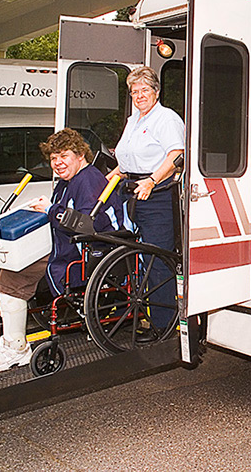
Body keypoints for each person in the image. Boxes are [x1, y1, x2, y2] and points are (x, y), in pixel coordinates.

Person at [0, 128, 124, 372]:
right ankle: (12, 342)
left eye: (64, 156)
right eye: (53, 158)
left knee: (13, 277)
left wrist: (50, 210)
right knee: (11, 263)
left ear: (81, 155)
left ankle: (16, 349)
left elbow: (86, 225)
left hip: (90, 250)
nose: (57, 163)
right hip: (66, 244)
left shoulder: (88, 179)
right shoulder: (67, 182)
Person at [107, 66, 184, 334]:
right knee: (137, 259)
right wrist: (110, 177)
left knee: (157, 262)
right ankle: (144, 316)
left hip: (157, 195)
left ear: (156, 92)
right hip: (131, 191)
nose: (139, 95)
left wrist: (152, 180)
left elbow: (177, 156)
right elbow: (126, 159)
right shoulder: (133, 120)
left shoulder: (166, 118)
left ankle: (164, 326)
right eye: (134, 91)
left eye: (144, 90)